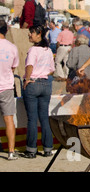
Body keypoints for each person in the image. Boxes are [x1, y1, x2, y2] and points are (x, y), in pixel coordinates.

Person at [22, 25, 55, 158]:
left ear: (39, 34)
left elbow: (29, 65)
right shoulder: (47, 50)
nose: (29, 35)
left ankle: (31, 150)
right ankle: (47, 148)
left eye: (31, 33)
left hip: (34, 83)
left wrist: (27, 79)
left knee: (32, 119)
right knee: (44, 118)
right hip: (46, 83)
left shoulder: (33, 50)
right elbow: (52, 69)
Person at [0, 20, 20, 160]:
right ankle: (11, 151)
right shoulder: (12, 47)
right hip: (6, 86)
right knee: (9, 119)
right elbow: (13, 68)